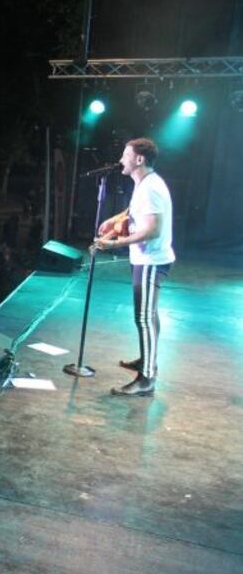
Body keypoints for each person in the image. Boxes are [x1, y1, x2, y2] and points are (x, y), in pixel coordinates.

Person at [94, 137, 175, 397]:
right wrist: (113, 220)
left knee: (143, 317)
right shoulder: (145, 184)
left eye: (125, 155)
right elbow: (134, 211)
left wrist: (116, 242)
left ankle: (147, 377)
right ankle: (146, 360)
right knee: (148, 315)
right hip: (145, 259)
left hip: (151, 260)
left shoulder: (150, 187)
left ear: (139, 159)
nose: (120, 160)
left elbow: (153, 229)